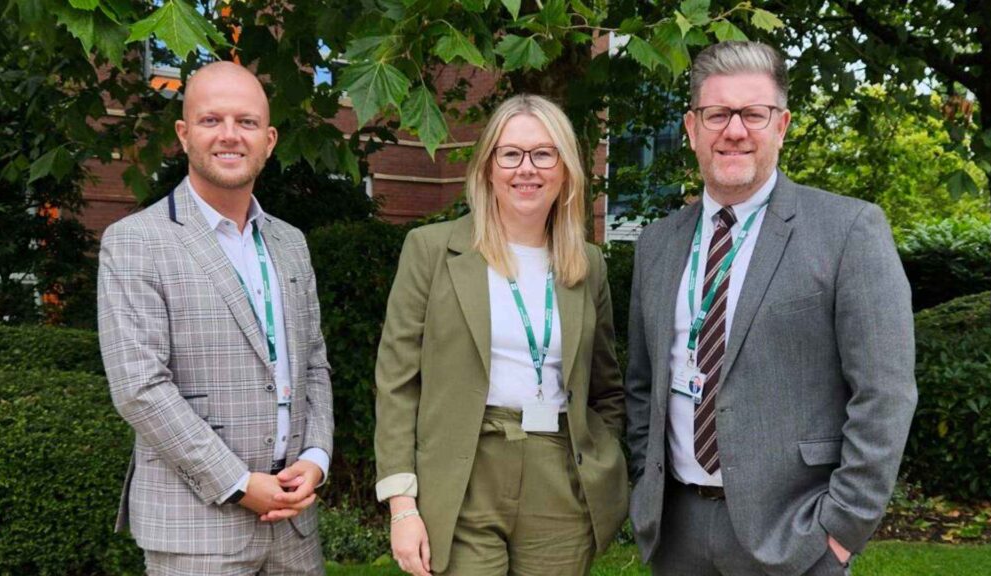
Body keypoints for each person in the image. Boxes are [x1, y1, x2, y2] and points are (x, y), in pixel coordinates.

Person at [625, 41, 917, 576]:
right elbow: (643, 384)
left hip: (795, 534)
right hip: (677, 532)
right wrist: (646, 482)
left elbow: (885, 393)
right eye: (717, 114)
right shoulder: (658, 244)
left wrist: (841, 529)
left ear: (781, 126)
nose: (734, 130)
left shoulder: (848, 231)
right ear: (691, 128)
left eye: (753, 114)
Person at [374, 94, 628, 575]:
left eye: (543, 153)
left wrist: (602, 454)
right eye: (510, 154)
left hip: (559, 478)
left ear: (565, 168)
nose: (526, 168)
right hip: (463, 474)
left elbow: (605, 385)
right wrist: (402, 504)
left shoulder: (587, 265)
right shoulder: (431, 250)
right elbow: (396, 384)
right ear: (488, 167)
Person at [98, 61, 333, 575]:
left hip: (294, 526)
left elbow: (314, 361)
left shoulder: (290, 243)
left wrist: (316, 456)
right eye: (211, 120)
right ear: (184, 134)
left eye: (246, 122)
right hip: (197, 530)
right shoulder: (135, 242)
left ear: (269, 140)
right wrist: (239, 483)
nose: (230, 135)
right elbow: (139, 387)